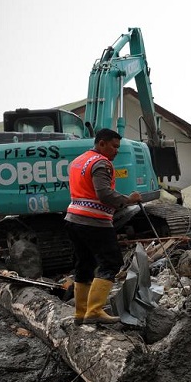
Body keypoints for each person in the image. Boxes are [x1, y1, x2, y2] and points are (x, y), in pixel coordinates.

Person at [65, 128, 142, 325]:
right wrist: (128, 200)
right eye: (114, 146)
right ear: (101, 143)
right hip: (94, 221)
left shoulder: (79, 161)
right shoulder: (101, 163)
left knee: (84, 264)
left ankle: (80, 313)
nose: (116, 151)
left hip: (73, 218)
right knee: (111, 262)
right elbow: (104, 194)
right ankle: (95, 310)